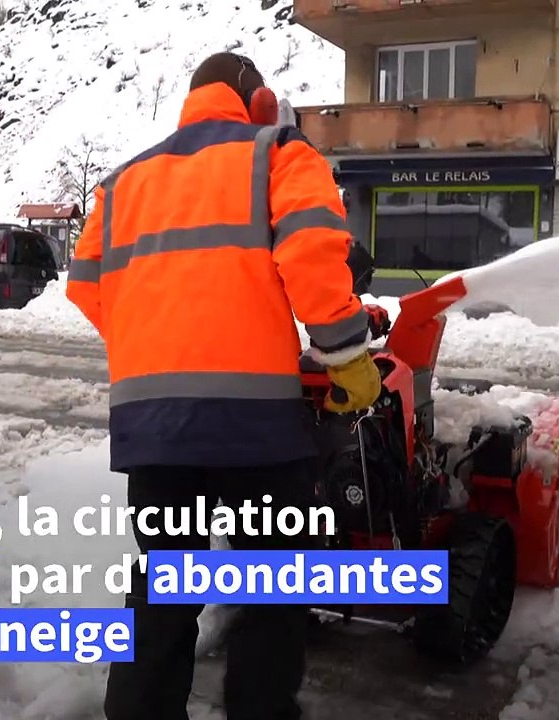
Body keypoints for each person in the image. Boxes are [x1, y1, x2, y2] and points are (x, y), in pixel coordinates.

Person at [65, 52, 383, 720]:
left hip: (152, 432)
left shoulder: (123, 184)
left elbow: (86, 286)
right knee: (273, 590)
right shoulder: (278, 155)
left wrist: (162, 342)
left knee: (161, 590)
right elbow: (315, 262)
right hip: (257, 432)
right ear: (260, 101)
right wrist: (347, 358)